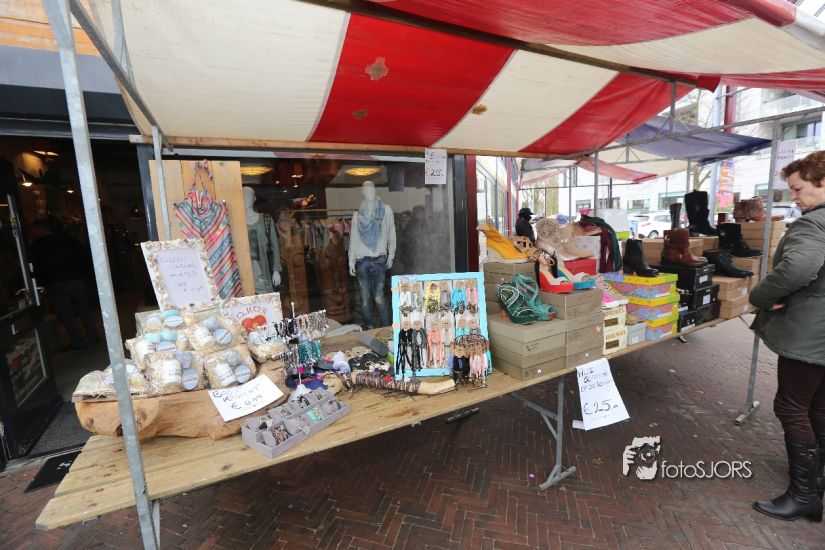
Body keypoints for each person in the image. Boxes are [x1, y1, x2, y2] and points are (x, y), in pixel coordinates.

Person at [750, 150, 825, 523]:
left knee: (792, 406)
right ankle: (817, 479)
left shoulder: (813, 225)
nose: (793, 197)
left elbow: (798, 266)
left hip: (809, 332)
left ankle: (804, 495)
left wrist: (761, 295)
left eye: (797, 188)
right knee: (819, 406)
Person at [28, 219, 99, 351]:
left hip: (57, 283)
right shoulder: (68, 239)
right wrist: (85, 276)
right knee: (84, 309)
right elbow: (83, 255)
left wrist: (42, 283)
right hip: (77, 279)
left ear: (39, 229)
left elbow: (37, 267)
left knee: (65, 313)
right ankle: (93, 336)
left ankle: (78, 341)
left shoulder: (38, 246)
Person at [349, 181, 395, 329]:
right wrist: (351, 260)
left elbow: (391, 234)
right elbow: (353, 239)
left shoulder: (386, 211)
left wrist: (391, 255)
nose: (369, 192)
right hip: (361, 261)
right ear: (362, 192)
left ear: (375, 190)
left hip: (379, 260)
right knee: (365, 300)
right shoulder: (357, 215)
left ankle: (386, 329)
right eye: (366, 189)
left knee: (379, 297)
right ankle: (369, 329)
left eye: (372, 189)